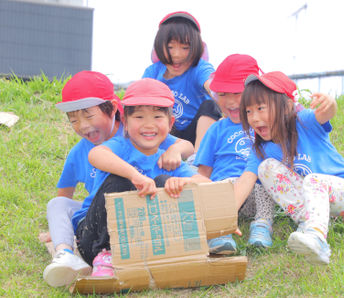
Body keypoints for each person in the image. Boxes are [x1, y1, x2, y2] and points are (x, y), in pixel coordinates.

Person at [42, 71, 194, 287]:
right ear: (127, 118)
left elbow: (187, 147)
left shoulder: (142, 133)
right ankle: (84, 253)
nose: (83, 126)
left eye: (88, 115)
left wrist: (177, 153)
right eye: (74, 120)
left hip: (138, 224)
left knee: (163, 181)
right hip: (98, 228)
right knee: (115, 184)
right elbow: (91, 161)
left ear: (114, 110)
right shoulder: (111, 145)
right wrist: (135, 175)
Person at [74, 78, 211, 277]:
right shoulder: (120, 146)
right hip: (94, 239)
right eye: (139, 117)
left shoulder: (167, 160)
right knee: (121, 181)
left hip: (142, 242)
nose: (149, 125)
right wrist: (135, 176)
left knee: (166, 182)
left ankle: (164, 257)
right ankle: (106, 256)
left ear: (170, 123)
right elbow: (95, 155)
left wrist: (183, 181)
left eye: (157, 116)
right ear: (126, 124)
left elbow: (207, 184)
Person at [235, 71, 344, 265]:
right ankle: (310, 221)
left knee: (313, 180)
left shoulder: (303, 122)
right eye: (248, 111)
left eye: (260, 108)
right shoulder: (262, 150)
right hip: (317, 202)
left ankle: (316, 238)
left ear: (288, 106)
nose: (254, 118)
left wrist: (329, 102)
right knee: (265, 168)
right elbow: (245, 181)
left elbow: (326, 113)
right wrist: (226, 218)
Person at [193, 54, 276, 254]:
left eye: (237, 93)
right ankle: (220, 231)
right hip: (224, 192)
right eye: (222, 94)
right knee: (224, 185)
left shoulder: (264, 126)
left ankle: (262, 225)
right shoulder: (217, 129)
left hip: (256, 193)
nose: (230, 101)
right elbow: (204, 171)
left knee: (266, 183)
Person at [142, 11, 222, 154]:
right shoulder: (153, 72)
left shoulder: (199, 68)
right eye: (170, 47)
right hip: (169, 134)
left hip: (198, 133)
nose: (177, 55)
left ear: (196, 48)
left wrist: (222, 96)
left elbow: (214, 86)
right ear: (159, 47)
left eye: (185, 48)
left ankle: (198, 159)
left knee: (211, 105)